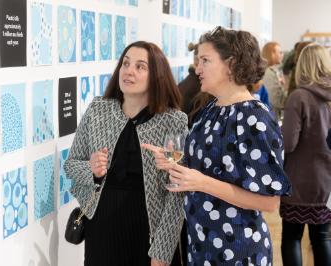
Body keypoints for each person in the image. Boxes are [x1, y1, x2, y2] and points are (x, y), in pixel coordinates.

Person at [142, 26, 291, 265]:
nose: (197, 68)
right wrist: (174, 161)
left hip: (238, 250)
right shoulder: (210, 110)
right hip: (202, 245)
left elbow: (270, 202)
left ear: (230, 64)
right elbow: (208, 168)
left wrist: (202, 183)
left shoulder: (255, 118)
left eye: (205, 61)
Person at [64, 41, 188, 266]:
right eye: (126, 63)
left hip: (149, 232)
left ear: (156, 76)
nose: (129, 71)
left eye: (140, 66)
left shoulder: (174, 121)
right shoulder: (98, 110)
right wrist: (90, 169)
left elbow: (177, 191)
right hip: (101, 229)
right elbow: (71, 164)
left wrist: (162, 249)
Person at [280, 43, 331, 266]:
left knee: (292, 238)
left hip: (299, 185)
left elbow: (288, 144)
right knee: (323, 238)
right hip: (327, 185)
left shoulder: (299, 97)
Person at [262, 41, 287, 121]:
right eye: (279, 52)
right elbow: (277, 101)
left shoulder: (275, 71)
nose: (282, 55)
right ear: (272, 54)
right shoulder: (269, 73)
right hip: (270, 118)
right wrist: (286, 87)